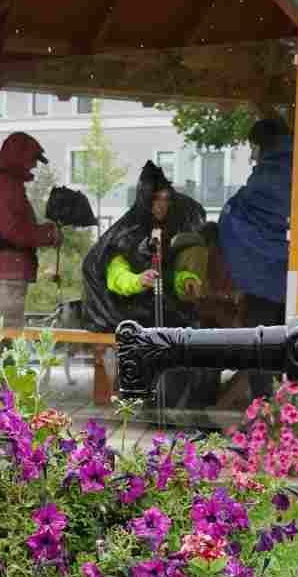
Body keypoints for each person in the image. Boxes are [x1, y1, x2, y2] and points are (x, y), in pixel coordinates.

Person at [83, 162, 212, 405]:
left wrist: (186, 280)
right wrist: (139, 281)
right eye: (156, 199)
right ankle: (150, 401)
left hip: (156, 309)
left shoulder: (163, 232)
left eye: (166, 198)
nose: (162, 204)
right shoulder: (127, 234)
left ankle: (175, 403)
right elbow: (117, 277)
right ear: (146, 201)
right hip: (127, 312)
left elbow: (165, 274)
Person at [218, 117, 292, 403]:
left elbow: (238, 214)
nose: (251, 155)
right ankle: (291, 408)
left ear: (263, 144)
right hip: (296, 276)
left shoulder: (268, 174)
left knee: (259, 341)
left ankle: (265, 405)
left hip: (264, 278)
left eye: (253, 147)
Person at [0, 132, 61, 329]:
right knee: (7, 338)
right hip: (6, 271)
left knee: (7, 337)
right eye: (32, 159)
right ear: (18, 156)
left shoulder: (4, 183)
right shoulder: (5, 185)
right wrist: (49, 234)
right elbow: (13, 232)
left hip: (5, 269)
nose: (34, 166)